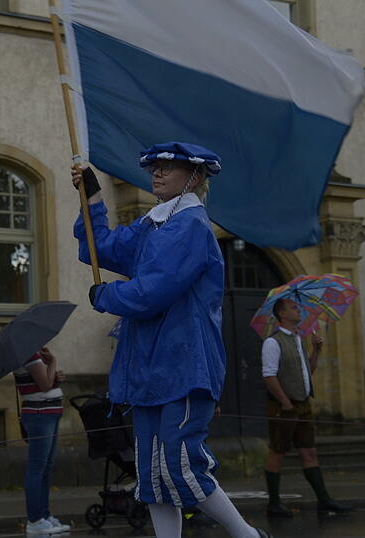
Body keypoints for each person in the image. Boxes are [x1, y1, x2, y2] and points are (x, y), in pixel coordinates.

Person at [73, 141, 270, 538]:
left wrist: (108, 296)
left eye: (168, 168)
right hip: (149, 365)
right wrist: (92, 197)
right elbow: (104, 248)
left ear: (193, 177)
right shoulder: (154, 223)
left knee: (181, 465)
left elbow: (153, 291)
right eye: (155, 168)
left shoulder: (191, 226)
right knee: (152, 474)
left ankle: (247, 535)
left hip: (183, 363)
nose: (157, 174)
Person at [260, 299, 353, 517]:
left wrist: (316, 351)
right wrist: (285, 402)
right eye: (294, 308)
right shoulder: (273, 342)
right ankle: (273, 503)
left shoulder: (299, 340)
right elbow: (269, 376)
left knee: (309, 451)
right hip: (283, 406)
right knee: (277, 450)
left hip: (302, 404)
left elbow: (306, 373)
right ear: (282, 313)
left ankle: (324, 500)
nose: (298, 310)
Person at [14, 346, 71, 535]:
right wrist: (53, 362)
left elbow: (46, 382)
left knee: (46, 467)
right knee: (37, 468)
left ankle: (45, 516)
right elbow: (45, 385)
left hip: (49, 414)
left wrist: (55, 376)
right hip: (40, 415)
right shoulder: (29, 354)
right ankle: (35, 520)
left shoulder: (36, 355)